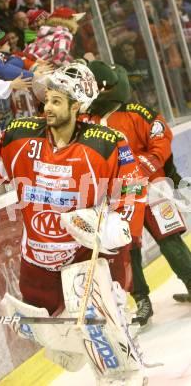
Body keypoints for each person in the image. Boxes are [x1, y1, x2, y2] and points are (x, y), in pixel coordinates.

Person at [0, 63, 147, 384]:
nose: (47, 107)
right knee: (59, 345)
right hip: (36, 265)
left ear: (77, 105)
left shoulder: (106, 142)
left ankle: (125, 375)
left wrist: (117, 222)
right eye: (47, 99)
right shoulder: (22, 134)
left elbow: (133, 184)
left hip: (85, 259)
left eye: (56, 101)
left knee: (106, 338)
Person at [80, 60, 191, 328]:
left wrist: (143, 167)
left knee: (169, 239)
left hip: (151, 189)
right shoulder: (85, 121)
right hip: (116, 197)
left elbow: (160, 138)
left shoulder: (136, 112)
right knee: (128, 250)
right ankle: (142, 300)